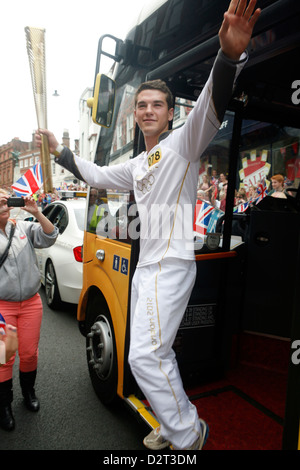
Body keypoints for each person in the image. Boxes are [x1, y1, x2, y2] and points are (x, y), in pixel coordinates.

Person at [36, 0, 261, 450]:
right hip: (146, 268)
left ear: (169, 112)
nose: (147, 110)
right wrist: (62, 154)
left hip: (170, 266)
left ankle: (188, 435)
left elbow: (211, 107)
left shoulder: (183, 143)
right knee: (153, 354)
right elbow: (97, 175)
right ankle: (171, 417)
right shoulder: (139, 163)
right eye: (141, 105)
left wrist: (228, 56)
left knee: (143, 355)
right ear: (134, 114)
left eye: (157, 104)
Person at [0, 189, 58, 431]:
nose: (3, 202)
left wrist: (37, 213)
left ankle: (28, 392)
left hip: (32, 304)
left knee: (29, 353)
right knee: (5, 358)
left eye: (5, 198)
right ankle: (4, 405)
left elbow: (50, 236)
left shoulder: (23, 227)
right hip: (4, 307)